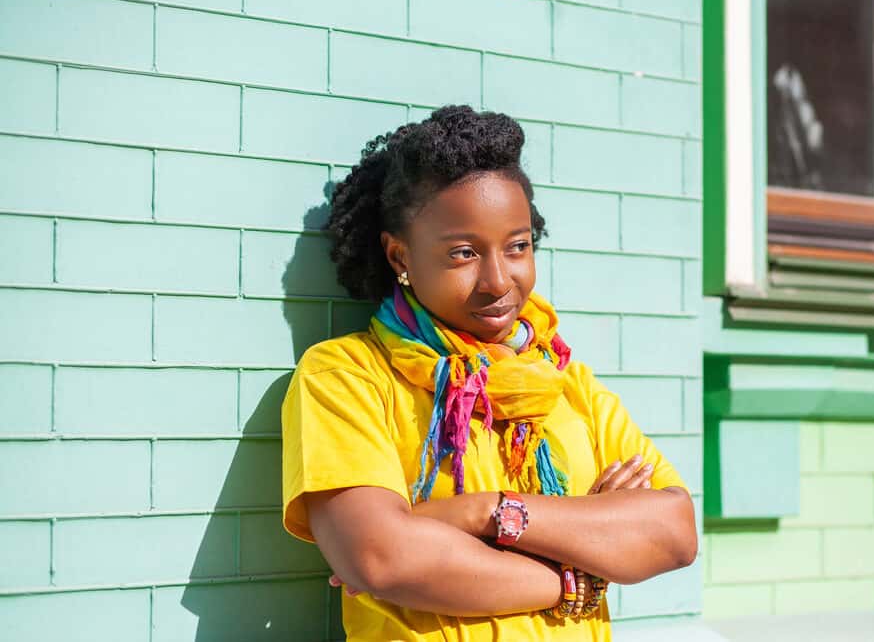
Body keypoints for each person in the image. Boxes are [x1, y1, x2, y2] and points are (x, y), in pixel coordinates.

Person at [281, 104, 698, 641]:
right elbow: (380, 558)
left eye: (518, 246)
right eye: (462, 253)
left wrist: (486, 513)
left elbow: (674, 533)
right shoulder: (348, 377)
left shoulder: (567, 384)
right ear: (398, 255)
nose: (499, 281)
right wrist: (579, 574)